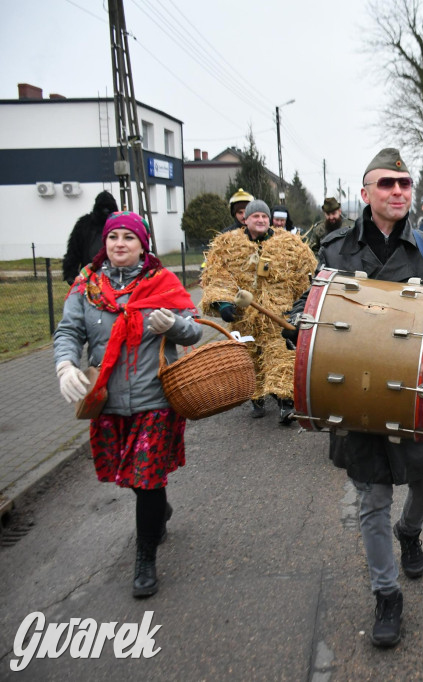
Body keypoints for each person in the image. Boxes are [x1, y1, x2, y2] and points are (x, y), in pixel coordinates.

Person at [285, 148, 423, 648]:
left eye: (405, 184)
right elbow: (307, 306)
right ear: (365, 192)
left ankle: (409, 531)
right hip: (359, 398)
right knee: (371, 498)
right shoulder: (334, 250)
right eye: (387, 183)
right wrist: (299, 327)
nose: (398, 192)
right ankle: (386, 594)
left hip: (419, 393)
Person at [53, 211, 202, 598]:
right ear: (105, 243)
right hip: (108, 400)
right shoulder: (87, 286)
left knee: (146, 477)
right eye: (113, 237)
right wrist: (64, 363)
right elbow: (69, 330)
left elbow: (195, 330)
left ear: (142, 245)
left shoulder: (162, 283)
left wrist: (173, 326)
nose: (120, 243)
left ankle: (145, 559)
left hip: (155, 400)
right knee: (136, 480)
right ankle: (159, 512)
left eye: (129, 238)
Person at [201, 199, 317, 422]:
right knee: (251, 358)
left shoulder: (291, 244)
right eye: (256, 216)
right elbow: (218, 276)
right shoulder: (228, 245)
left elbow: (306, 277)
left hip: (279, 314)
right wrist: (224, 304)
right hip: (245, 317)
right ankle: (257, 398)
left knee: (282, 357)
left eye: (265, 216)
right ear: (246, 220)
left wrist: (301, 308)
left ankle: (286, 404)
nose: (261, 220)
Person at [62, 190, 119, 284]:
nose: (105, 211)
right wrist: (70, 274)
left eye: (108, 208)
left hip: (117, 274)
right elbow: (73, 252)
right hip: (90, 274)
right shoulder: (84, 224)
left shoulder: (121, 223)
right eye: (103, 208)